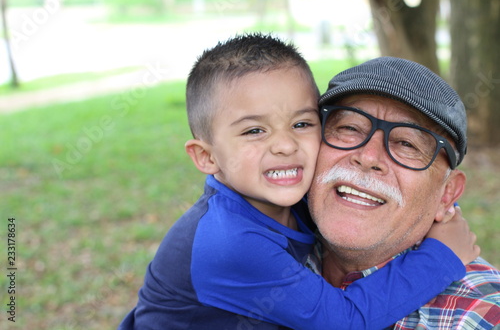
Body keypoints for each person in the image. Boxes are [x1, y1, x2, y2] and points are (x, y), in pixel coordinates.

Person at [119, 34, 479, 330]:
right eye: (255, 130)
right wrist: (440, 256)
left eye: (302, 124)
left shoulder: (285, 201)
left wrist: (441, 211)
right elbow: (343, 321)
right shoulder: (230, 241)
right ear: (207, 157)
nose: (285, 145)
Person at [308, 56, 500, 329]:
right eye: (349, 128)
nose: (368, 156)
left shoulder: (479, 316)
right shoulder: (260, 243)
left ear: (446, 194)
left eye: (407, 144)